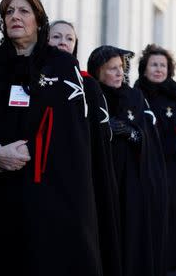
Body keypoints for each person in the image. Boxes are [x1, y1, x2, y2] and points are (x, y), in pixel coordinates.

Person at [0, 0, 119, 276]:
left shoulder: (62, 65)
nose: (15, 17)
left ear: (38, 19)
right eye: (9, 12)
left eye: (24, 11)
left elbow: (72, 128)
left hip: (49, 190)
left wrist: (30, 151)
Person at [48, 21, 122, 276]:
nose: (62, 42)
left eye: (69, 38)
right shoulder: (34, 76)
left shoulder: (89, 84)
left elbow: (100, 134)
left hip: (81, 174)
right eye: (56, 36)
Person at [87, 45, 168, 276]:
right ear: (98, 71)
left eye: (120, 68)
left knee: (130, 237)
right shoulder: (92, 96)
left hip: (132, 180)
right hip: (102, 177)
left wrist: (130, 132)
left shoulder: (134, 95)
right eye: (112, 69)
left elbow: (147, 136)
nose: (119, 73)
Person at [134, 44, 176, 275]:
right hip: (147, 169)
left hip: (175, 171)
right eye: (154, 64)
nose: (159, 69)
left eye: (163, 65)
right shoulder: (135, 95)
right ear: (144, 69)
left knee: (174, 219)